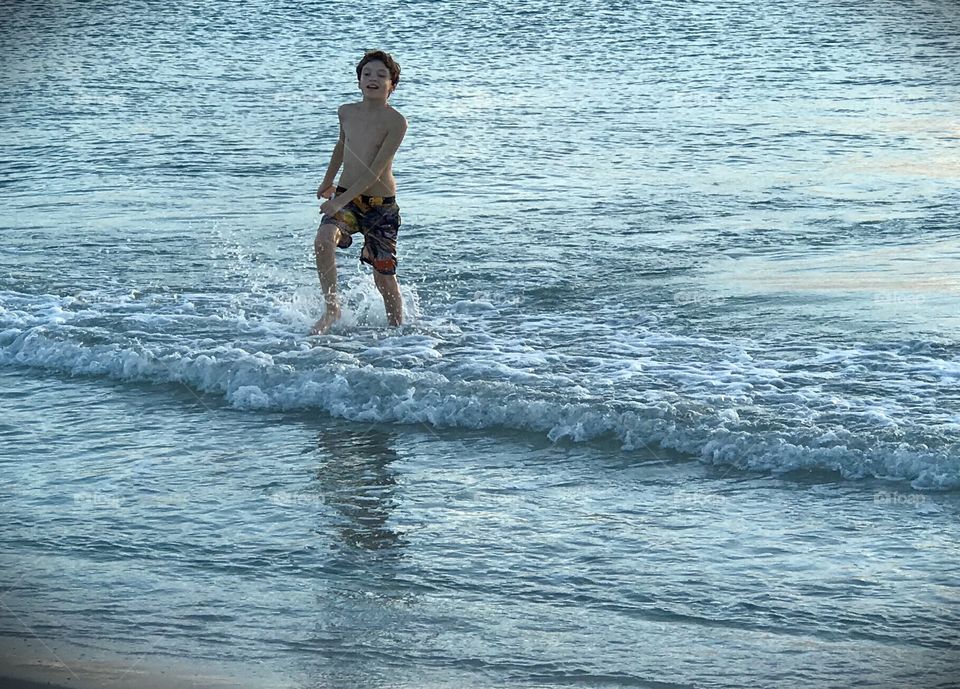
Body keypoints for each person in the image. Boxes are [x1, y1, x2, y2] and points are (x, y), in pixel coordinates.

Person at [311, 50, 408, 335]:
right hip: (346, 197)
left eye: (381, 75)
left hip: (381, 207)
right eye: (367, 74)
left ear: (393, 85)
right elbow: (342, 146)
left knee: (383, 277)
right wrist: (327, 181)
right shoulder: (346, 111)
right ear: (358, 81)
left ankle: (397, 332)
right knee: (323, 240)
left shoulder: (396, 122)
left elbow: (374, 171)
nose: (373, 79)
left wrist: (338, 200)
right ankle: (332, 309)